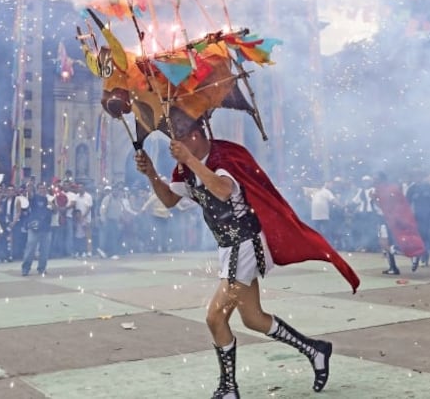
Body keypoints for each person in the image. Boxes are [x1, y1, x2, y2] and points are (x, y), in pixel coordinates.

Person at [135, 120, 359, 398]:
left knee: (215, 317)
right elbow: (169, 200)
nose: (173, 144)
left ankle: (229, 388)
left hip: (246, 244)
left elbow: (223, 189)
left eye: (178, 136)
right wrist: (152, 173)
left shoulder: (224, 156)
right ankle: (315, 350)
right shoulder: (183, 167)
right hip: (228, 247)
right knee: (253, 318)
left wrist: (190, 160)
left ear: (195, 135)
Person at [21, 182, 53, 276]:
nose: (42, 190)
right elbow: (29, 195)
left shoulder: (50, 199)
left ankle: (42, 268)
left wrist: (53, 205)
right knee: (30, 248)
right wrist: (29, 185)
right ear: (37, 189)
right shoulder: (34, 198)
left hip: (46, 227)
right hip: (34, 227)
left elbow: (55, 210)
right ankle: (26, 268)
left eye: (44, 188)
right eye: (40, 188)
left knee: (45, 250)